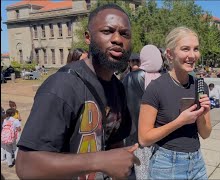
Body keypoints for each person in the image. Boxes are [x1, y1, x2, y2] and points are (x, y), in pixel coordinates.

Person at [15, 4, 140, 179]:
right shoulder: (62, 86)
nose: (118, 39)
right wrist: (99, 161)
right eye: (107, 31)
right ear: (88, 38)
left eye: (124, 34)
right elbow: (25, 165)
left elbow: (115, 142)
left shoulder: (118, 87)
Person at [138, 26, 212, 179]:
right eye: (185, 49)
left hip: (197, 163)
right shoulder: (156, 88)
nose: (192, 55)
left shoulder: (200, 85)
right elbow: (144, 138)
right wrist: (180, 122)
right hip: (166, 165)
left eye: (196, 49)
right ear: (170, 54)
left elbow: (205, 134)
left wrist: (202, 114)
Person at [123, 44, 163, 180]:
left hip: (135, 134)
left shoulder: (130, 77)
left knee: (141, 171)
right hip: (158, 134)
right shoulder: (163, 78)